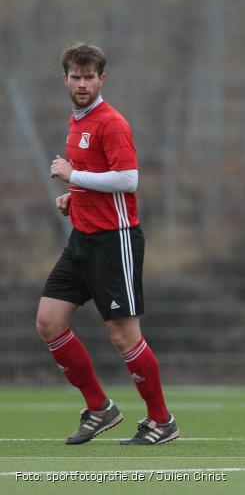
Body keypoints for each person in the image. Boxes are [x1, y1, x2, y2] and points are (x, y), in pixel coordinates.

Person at [39, 43, 179, 445]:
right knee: (49, 321)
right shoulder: (77, 121)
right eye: (75, 77)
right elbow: (99, 178)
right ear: (65, 78)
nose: (82, 84)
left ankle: (161, 420)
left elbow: (128, 179)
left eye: (89, 77)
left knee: (123, 335)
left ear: (102, 79)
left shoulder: (110, 122)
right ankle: (99, 408)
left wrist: (74, 178)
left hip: (114, 241)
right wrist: (75, 196)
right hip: (82, 239)